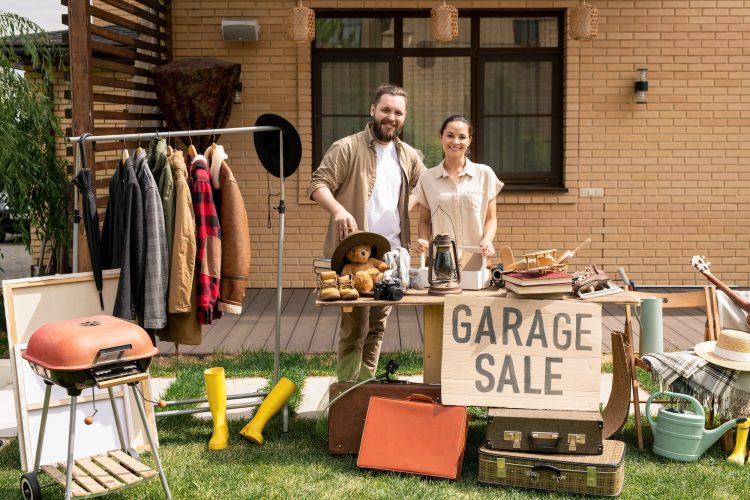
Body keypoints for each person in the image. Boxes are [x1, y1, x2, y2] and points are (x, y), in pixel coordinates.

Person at [308, 84, 425, 381]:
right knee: (354, 329)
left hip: (390, 258)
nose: (391, 117)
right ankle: (347, 392)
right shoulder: (346, 147)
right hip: (353, 257)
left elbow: (423, 188)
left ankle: (367, 385)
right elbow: (318, 184)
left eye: (398, 112)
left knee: (376, 328)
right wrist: (338, 210)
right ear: (373, 110)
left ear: (405, 117)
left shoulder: (409, 155)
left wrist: (406, 207)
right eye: (386, 110)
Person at [414, 115, 503, 260]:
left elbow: (491, 219)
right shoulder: (427, 178)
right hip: (441, 262)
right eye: (450, 135)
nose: (455, 141)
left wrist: (487, 240)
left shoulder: (485, 174)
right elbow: (424, 220)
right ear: (441, 138)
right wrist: (423, 239)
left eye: (462, 137)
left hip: (476, 259)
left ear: (469, 140)